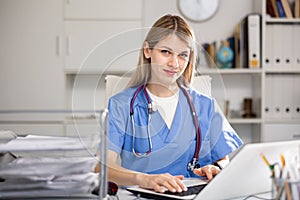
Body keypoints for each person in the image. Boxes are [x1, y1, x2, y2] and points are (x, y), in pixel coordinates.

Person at [106, 14, 243, 194]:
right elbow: (103, 167)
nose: (174, 63)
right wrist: (143, 179)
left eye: (182, 55)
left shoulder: (205, 105)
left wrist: (215, 168)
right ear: (148, 51)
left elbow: (223, 160)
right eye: (166, 52)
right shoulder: (121, 105)